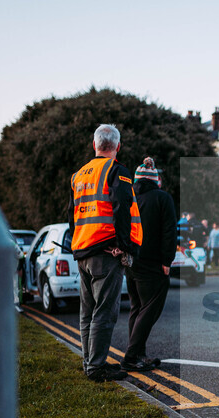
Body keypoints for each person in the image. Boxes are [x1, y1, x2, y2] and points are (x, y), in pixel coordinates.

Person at [68, 124, 143, 382]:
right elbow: (122, 207)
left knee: (87, 312)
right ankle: (97, 368)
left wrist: (78, 242)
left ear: (95, 145)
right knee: (104, 312)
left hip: (84, 249)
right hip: (107, 252)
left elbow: (72, 214)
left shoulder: (79, 175)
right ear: (117, 146)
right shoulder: (117, 171)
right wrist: (123, 245)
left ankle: (90, 363)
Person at [121, 157, 176, 372]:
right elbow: (169, 232)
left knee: (137, 307)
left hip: (131, 261)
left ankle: (139, 353)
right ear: (156, 180)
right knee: (150, 309)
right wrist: (167, 260)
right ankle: (131, 356)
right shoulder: (162, 199)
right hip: (153, 263)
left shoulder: (129, 197)